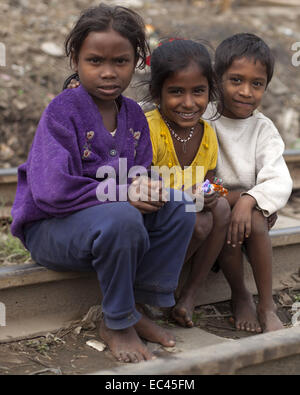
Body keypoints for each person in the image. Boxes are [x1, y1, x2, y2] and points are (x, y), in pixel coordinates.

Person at [11, 4, 196, 363]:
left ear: (137, 61)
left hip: (109, 228)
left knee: (180, 206)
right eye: (95, 61)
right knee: (122, 217)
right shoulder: (63, 112)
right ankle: (116, 321)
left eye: (120, 62)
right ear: (75, 60)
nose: (108, 73)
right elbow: (51, 191)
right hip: (53, 231)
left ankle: (138, 306)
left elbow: (138, 172)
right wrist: (123, 194)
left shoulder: (133, 116)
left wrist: (147, 187)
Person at [205, 33, 293, 332]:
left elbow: (279, 179)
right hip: (212, 203)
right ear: (217, 79)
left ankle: (266, 304)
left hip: (250, 210)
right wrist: (233, 196)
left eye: (257, 84)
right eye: (236, 80)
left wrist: (249, 199)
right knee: (227, 212)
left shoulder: (262, 129)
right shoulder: (203, 116)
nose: (246, 91)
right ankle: (241, 295)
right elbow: (196, 179)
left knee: (252, 221)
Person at [145, 39, 231, 328]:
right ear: (157, 93)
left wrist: (211, 193)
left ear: (210, 91)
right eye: (176, 92)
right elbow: (140, 185)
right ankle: (151, 289)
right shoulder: (150, 129)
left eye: (198, 91)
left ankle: (188, 296)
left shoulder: (207, 133)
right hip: (155, 217)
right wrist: (183, 195)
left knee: (219, 209)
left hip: (189, 211)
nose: (189, 102)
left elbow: (214, 180)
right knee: (199, 223)